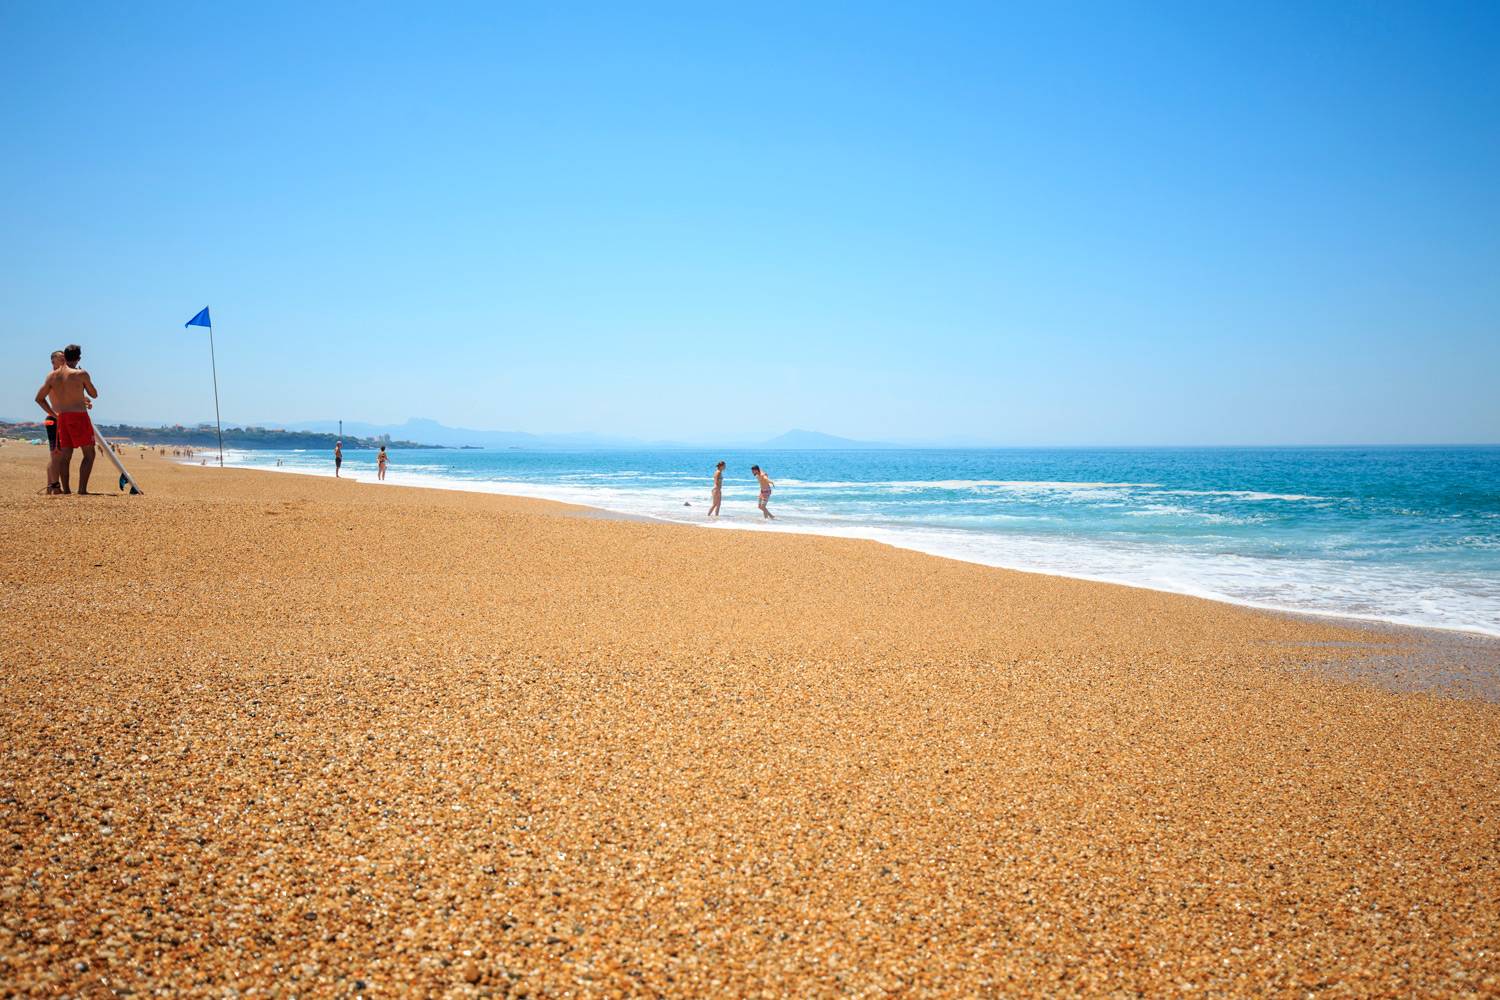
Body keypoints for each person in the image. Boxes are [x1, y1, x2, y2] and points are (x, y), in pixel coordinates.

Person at [34, 344, 99, 495]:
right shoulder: (80, 374)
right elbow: (94, 394)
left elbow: (39, 398)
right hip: (79, 416)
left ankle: (67, 490)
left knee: (65, 455)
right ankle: (82, 490)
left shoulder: (52, 376)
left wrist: (54, 414)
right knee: (89, 454)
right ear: (79, 358)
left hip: (62, 417)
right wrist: (84, 382)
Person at [41, 350, 64, 492]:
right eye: (60, 358)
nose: (63, 360)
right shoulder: (52, 377)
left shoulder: (62, 377)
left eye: (64, 358)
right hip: (54, 420)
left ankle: (50, 486)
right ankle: (53, 486)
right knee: (56, 455)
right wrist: (54, 414)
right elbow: (41, 398)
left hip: (58, 419)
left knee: (57, 456)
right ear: (53, 361)